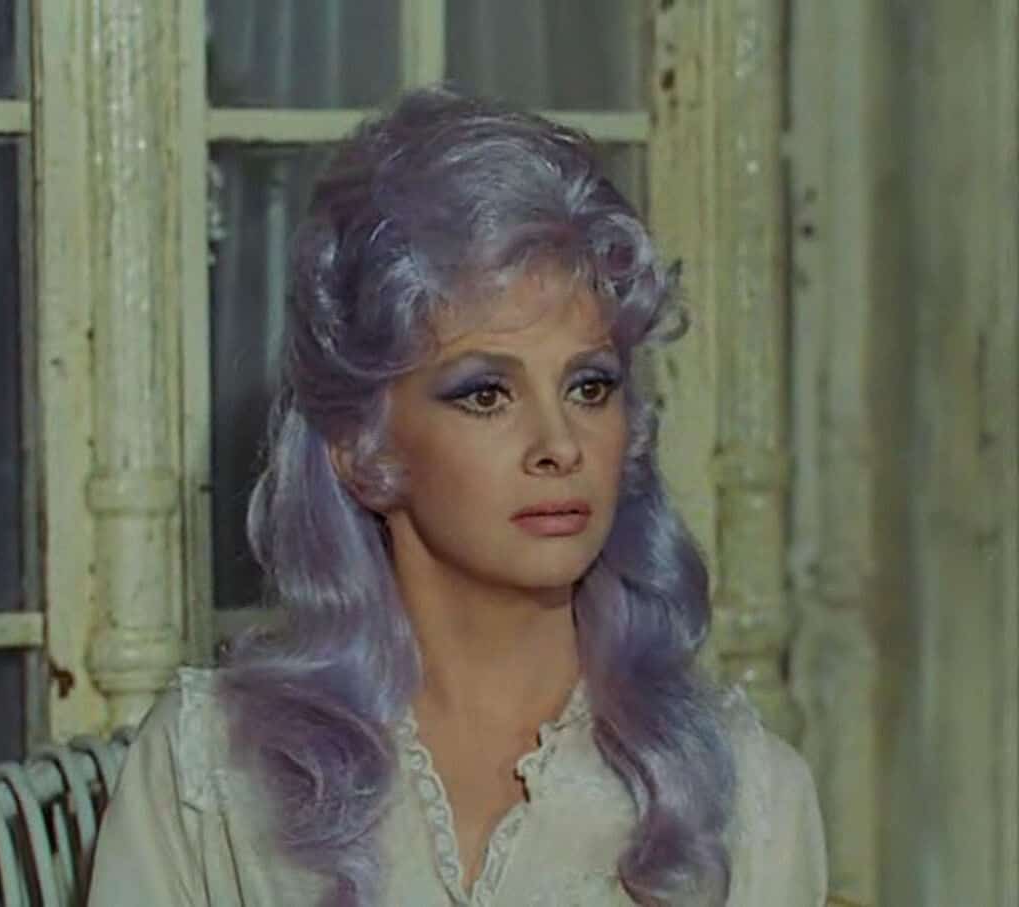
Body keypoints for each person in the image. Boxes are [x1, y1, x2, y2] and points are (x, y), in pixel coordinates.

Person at [87, 88, 827, 907]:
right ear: (362, 448)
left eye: (589, 386)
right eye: (485, 394)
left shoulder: (743, 795)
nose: (560, 444)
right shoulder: (209, 776)